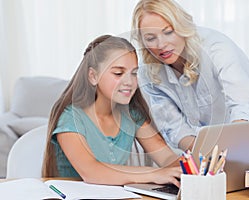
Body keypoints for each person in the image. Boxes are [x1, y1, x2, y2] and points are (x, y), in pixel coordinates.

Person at [131, 0, 249, 151]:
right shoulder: (149, 72)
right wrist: (202, 152)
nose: (161, 45)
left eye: (168, 32)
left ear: (182, 27)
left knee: (247, 171)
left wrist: (231, 151)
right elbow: (175, 127)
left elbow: (244, 106)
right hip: (210, 137)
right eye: (150, 38)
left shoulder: (216, 49)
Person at [42, 35, 181, 187]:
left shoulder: (132, 116)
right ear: (93, 76)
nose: (129, 82)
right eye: (118, 73)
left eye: (134, 73)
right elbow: (91, 172)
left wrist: (185, 168)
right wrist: (154, 174)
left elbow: (167, 158)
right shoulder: (71, 118)